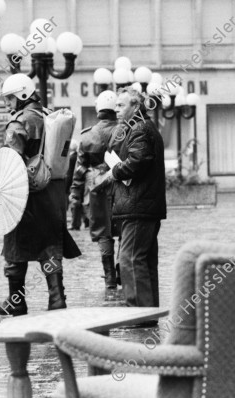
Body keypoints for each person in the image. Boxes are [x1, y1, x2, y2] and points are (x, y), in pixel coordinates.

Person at [0, 73, 81, 316]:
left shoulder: (18, 123)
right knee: (49, 246)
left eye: (9, 98)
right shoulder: (48, 115)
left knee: (15, 249)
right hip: (52, 194)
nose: (7, 104)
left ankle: (16, 301)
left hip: (26, 196)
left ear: (22, 95)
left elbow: (12, 161)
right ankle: (56, 298)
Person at [102, 87, 166, 309]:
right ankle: (147, 313)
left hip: (138, 205)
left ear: (136, 107)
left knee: (130, 259)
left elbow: (138, 161)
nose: (116, 109)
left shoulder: (139, 128)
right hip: (142, 204)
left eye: (121, 105)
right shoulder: (140, 127)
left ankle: (137, 313)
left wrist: (114, 172)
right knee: (144, 261)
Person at [70, 90, 119, 289]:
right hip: (122, 186)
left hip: (98, 190)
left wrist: (75, 194)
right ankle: (121, 270)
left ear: (98, 108)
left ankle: (109, 278)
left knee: (104, 233)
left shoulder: (87, 136)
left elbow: (80, 171)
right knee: (125, 229)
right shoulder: (126, 130)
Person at [66, 139, 88, 231]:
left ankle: (75, 224)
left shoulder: (71, 158)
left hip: (75, 182)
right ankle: (86, 222)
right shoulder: (77, 156)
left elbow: (70, 173)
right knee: (81, 203)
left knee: (75, 203)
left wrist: (68, 186)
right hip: (82, 182)